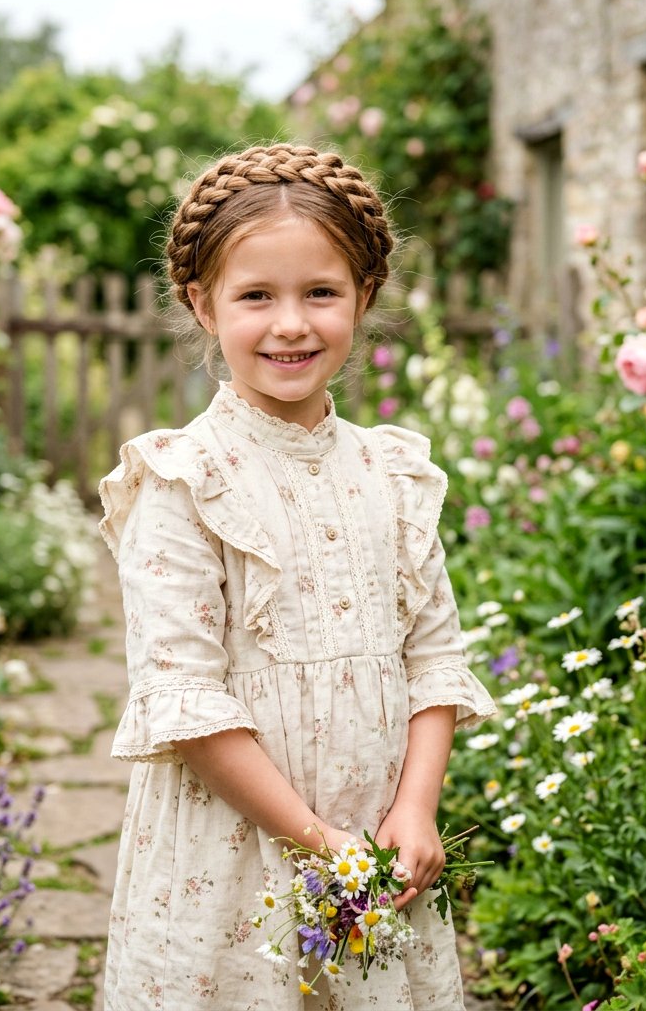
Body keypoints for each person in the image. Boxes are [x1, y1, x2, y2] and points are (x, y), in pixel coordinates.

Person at [98, 143, 496, 1010]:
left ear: (365, 296)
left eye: (320, 292)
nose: (291, 324)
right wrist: (318, 841)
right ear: (201, 304)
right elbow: (186, 701)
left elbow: (433, 657)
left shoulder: (393, 476)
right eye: (255, 297)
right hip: (234, 853)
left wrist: (415, 812)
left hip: (377, 843)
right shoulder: (183, 482)